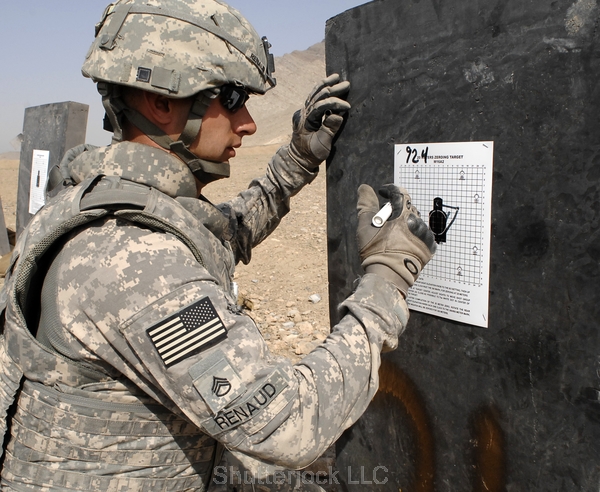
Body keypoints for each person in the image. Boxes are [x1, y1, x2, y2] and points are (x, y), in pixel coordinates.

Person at [0, 0, 436, 490]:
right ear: (162, 102)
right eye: (231, 99)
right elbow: (288, 423)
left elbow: (222, 234)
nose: (248, 123)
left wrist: (295, 161)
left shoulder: (93, 202)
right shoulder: (136, 261)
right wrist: (388, 276)